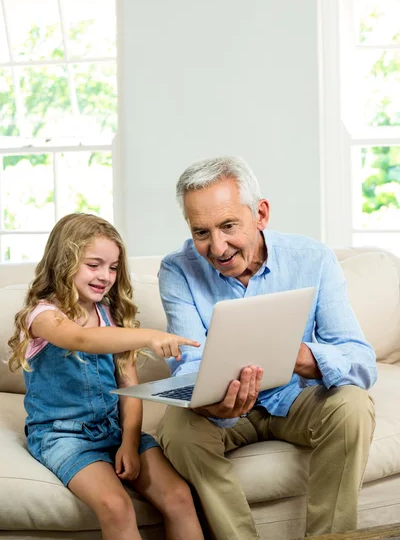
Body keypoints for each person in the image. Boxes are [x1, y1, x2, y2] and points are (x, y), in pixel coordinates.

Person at [157, 156, 377, 540]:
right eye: (201, 232)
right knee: (177, 429)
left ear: (260, 213)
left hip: (296, 399)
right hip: (225, 413)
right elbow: (189, 364)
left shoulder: (313, 259)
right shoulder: (177, 270)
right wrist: (210, 401)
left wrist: (302, 357)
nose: (218, 247)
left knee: (353, 406)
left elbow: (360, 359)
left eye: (228, 226)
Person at [8, 213, 204, 540]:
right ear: (64, 262)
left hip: (113, 428)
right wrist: (149, 337)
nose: (105, 276)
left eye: (113, 267)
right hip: (63, 435)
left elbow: (130, 386)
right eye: (94, 264)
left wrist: (129, 441)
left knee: (180, 496)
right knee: (116, 505)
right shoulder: (42, 317)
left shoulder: (108, 313)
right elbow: (80, 340)